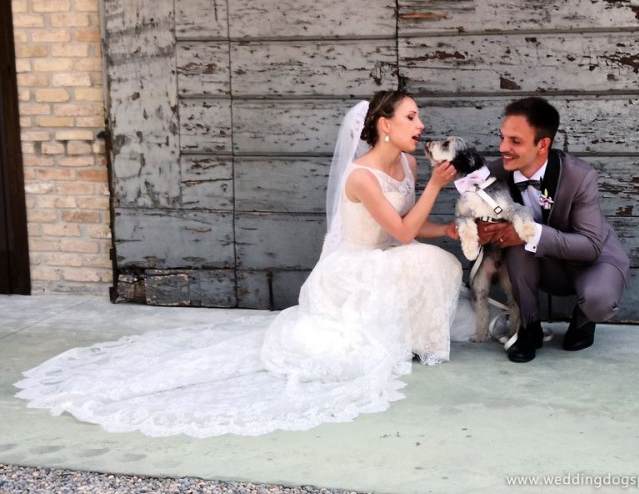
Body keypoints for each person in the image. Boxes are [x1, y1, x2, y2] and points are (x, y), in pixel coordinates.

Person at [15, 91, 471, 438]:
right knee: (418, 261)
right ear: (385, 125)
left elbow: (406, 227)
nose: (421, 124)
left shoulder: (407, 166)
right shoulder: (362, 176)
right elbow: (403, 233)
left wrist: (448, 230)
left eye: (419, 117)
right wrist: (436, 187)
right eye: (411, 116)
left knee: (438, 259)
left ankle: (411, 338)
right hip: (352, 267)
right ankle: (396, 340)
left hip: (384, 256)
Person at [478, 97, 630, 363]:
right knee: (515, 240)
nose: (503, 148)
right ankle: (528, 326)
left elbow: (590, 245)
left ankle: (584, 318)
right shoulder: (493, 173)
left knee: (600, 301)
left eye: (515, 141)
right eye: (502, 138)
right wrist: (482, 228)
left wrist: (529, 232)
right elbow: (471, 205)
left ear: (543, 145)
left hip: (590, 257)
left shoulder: (580, 176)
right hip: (536, 260)